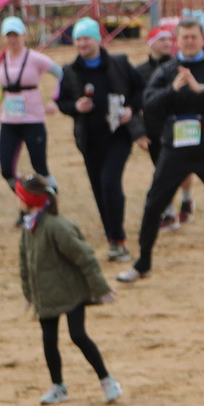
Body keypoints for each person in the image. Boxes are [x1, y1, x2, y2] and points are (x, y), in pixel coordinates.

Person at [120, 13, 204, 289]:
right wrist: (173, 90)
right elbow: (150, 103)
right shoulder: (167, 71)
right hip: (175, 147)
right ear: (177, 41)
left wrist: (200, 90)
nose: (190, 42)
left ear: (202, 39)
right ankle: (142, 262)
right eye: (185, 37)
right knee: (153, 202)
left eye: (194, 37)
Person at [14, 173, 121, 406]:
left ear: (30, 200)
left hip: (72, 292)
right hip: (47, 294)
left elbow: (85, 256)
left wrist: (100, 288)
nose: (17, 201)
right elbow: (25, 263)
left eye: (19, 197)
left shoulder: (57, 227)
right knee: (48, 340)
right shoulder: (28, 228)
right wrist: (28, 293)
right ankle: (58, 386)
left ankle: (107, 380)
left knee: (78, 335)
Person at [55, 18, 139, 260]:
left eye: (86, 38)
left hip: (118, 136)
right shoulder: (70, 71)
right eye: (78, 39)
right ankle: (112, 237)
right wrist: (75, 106)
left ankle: (118, 238)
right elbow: (61, 102)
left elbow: (141, 90)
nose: (81, 43)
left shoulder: (119, 64)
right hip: (89, 140)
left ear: (97, 40)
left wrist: (131, 109)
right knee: (99, 189)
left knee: (110, 183)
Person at [0, 16, 60, 192]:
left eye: (16, 35)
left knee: (40, 167)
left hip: (33, 120)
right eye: (9, 35)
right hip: (10, 121)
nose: (12, 39)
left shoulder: (36, 58)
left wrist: (56, 101)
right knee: (6, 169)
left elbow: (62, 74)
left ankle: (52, 200)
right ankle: (27, 199)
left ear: (24, 36)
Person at [138, 22, 196, 234]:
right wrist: (139, 132)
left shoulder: (178, 66)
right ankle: (170, 212)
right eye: (161, 40)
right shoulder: (141, 71)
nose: (166, 44)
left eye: (168, 40)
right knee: (162, 172)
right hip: (154, 127)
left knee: (183, 168)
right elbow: (138, 102)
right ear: (151, 44)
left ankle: (187, 201)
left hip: (180, 124)